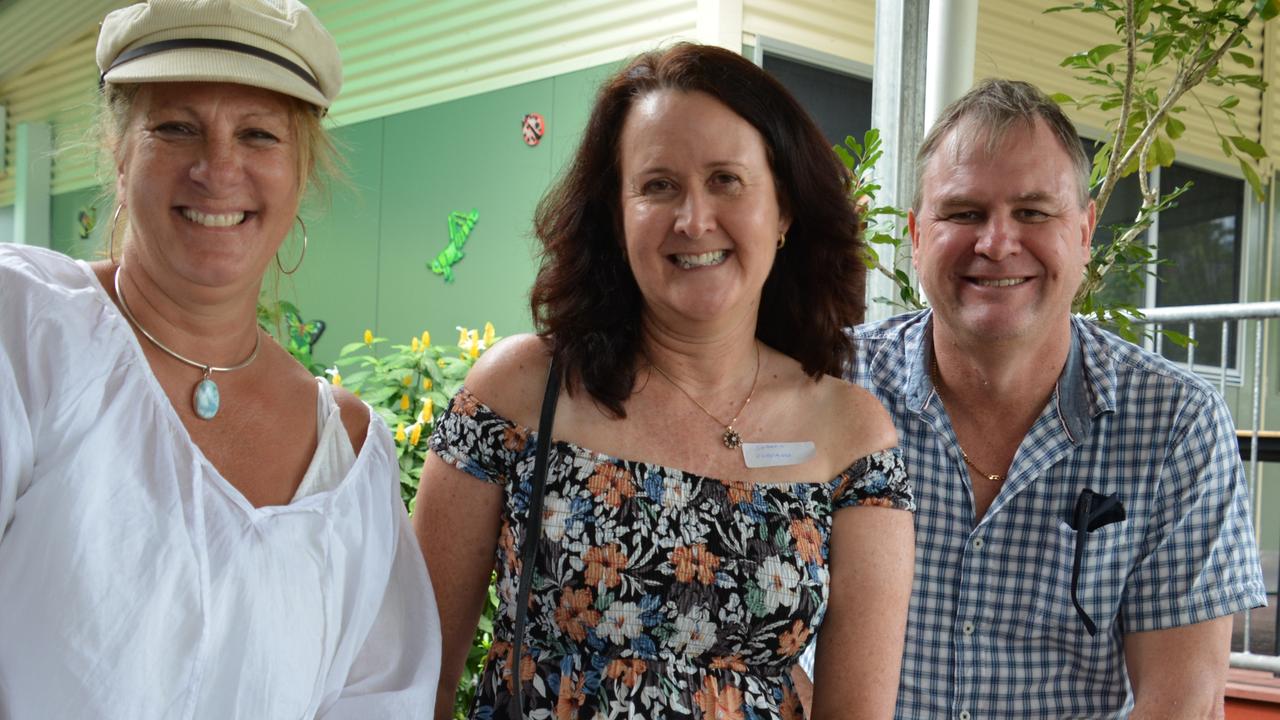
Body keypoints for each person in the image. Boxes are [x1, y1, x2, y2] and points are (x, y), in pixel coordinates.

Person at [414, 43, 915, 720]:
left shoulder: (851, 433)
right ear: (616, 218)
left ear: (785, 211)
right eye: (657, 185)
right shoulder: (520, 391)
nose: (694, 219)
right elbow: (416, 677)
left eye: (727, 180)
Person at [0, 0, 440, 716]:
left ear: (301, 173)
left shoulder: (349, 458)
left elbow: (377, 697)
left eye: (259, 134)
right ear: (119, 153)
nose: (217, 168)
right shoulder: (26, 333)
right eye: (175, 127)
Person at [845, 79, 1267, 718]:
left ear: (1085, 230)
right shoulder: (831, 384)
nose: (996, 243)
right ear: (915, 235)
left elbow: (1181, 703)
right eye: (962, 212)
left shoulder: (1176, 423)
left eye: (1033, 212)